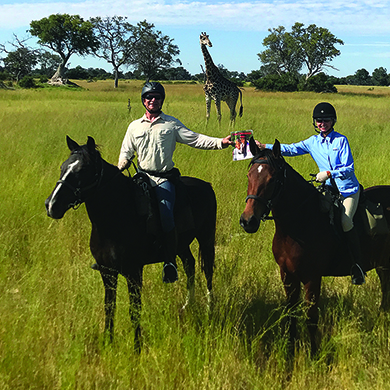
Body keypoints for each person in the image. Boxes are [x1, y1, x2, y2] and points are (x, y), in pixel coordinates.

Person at [118, 81, 233, 284]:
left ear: (162, 100)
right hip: (141, 178)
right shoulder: (134, 126)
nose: (153, 100)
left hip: (164, 179)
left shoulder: (171, 124)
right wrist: (121, 165)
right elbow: (126, 152)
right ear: (143, 100)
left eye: (157, 97)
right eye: (149, 97)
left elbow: (195, 139)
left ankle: (169, 262)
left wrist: (220, 142)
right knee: (124, 211)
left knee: (166, 214)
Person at [255, 102, 366, 285]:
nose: (322, 123)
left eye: (326, 120)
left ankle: (357, 265)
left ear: (333, 121)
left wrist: (330, 173)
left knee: (345, 221)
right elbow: (290, 149)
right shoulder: (312, 142)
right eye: (319, 120)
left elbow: (349, 168)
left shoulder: (341, 140)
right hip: (328, 189)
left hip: (347, 190)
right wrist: (264, 146)